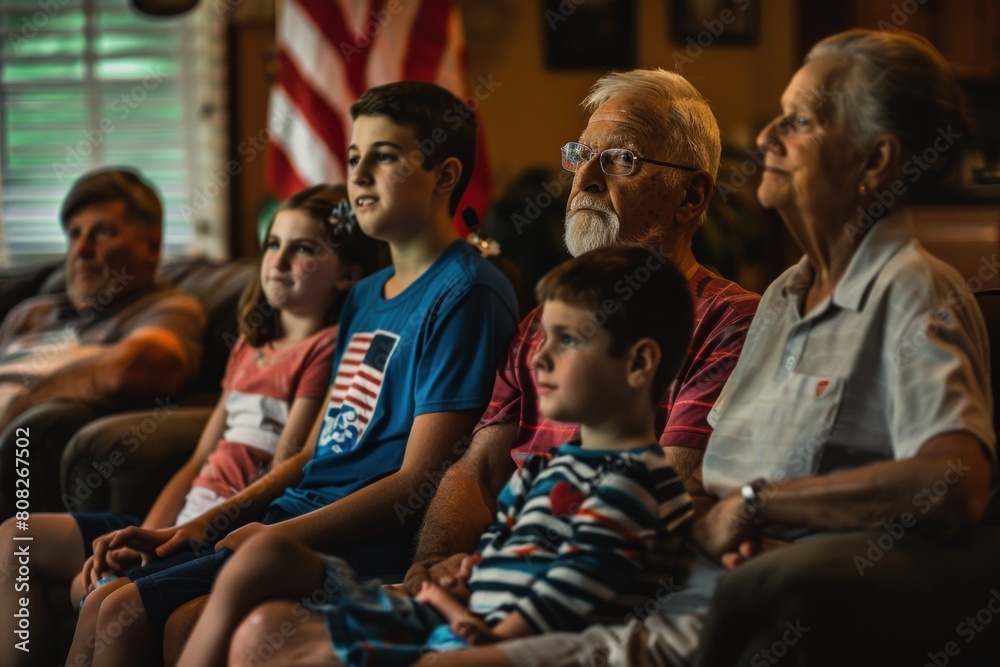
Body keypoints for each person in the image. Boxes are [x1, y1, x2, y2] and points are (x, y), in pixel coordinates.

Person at [222, 67, 761, 667]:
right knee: (262, 629)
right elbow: (478, 468)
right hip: (488, 578)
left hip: (571, 599)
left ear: (692, 196)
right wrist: (435, 566)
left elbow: (672, 488)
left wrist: (497, 592)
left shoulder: (729, 323)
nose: (581, 180)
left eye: (622, 160)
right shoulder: (538, 324)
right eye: (581, 155)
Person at [63, 80, 519, 667]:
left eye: (384, 156)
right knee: (105, 600)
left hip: (359, 539)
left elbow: (420, 479)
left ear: (445, 175)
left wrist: (279, 539)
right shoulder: (364, 297)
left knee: (125, 615)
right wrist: (199, 527)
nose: (358, 175)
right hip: (294, 514)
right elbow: (310, 453)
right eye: (355, 156)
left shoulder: (467, 293)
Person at [175, 245, 698, 667]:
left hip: (495, 642)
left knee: (293, 644)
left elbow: (567, 600)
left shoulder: (636, 484)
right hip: (457, 615)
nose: (538, 357)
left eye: (566, 340)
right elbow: (498, 556)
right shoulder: (544, 470)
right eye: (543, 338)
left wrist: (466, 617)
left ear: (639, 363)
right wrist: (459, 571)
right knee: (263, 603)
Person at [688, 30, 996, 665]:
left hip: (744, 610)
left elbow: (954, 484)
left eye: (799, 121)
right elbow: (711, 479)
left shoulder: (911, 290)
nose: (765, 137)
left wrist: (758, 505)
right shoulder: (780, 294)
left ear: (876, 161)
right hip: (695, 582)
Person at [0, 182, 380, 667]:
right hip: (183, 520)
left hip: (224, 526)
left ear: (348, 274)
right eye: (273, 244)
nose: (278, 261)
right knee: (18, 535)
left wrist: (182, 537)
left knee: (97, 594)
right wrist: (151, 530)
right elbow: (201, 459)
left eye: (303, 249)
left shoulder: (327, 350)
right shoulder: (248, 347)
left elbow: (289, 465)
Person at [0, 167, 206, 517]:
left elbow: (134, 369)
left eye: (103, 233)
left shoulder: (165, 308)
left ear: (151, 246)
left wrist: (21, 402)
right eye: (75, 234)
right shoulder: (31, 313)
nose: (81, 249)